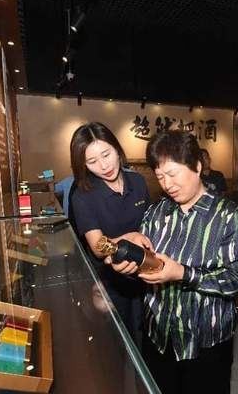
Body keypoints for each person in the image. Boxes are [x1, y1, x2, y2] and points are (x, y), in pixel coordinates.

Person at [108, 130, 238, 394]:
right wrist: (127, 268)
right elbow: (147, 267)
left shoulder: (228, 215)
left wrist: (183, 273)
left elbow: (235, 281)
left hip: (206, 341)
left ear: (197, 166)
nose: (167, 184)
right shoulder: (155, 212)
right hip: (158, 337)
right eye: (160, 176)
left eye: (172, 174)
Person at [69, 122, 151, 339]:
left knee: (145, 335)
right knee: (119, 341)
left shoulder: (138, 181)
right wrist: (130, 238)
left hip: (143, 272)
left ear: (117, 148)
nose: (104, 165)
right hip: (109, 282)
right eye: (92, 161)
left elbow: (149, 224)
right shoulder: (83, 195)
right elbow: (98, 246)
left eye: (106, 154)